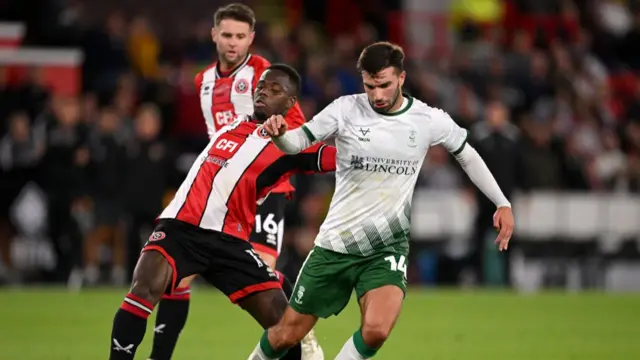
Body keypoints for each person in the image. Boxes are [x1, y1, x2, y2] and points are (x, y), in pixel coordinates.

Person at [247, 42, 515, 360]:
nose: (377, 95)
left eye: (384, 85)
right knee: (285, 335)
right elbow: (296, 143)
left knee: (376, 330)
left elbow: (467, 155)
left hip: (386, 246)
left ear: (401, 78)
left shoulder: (427, 119)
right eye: (370, 86)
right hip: (335, 245)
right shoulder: (344, 109)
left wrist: (502, 202)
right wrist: (279, 133)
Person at [109, 64, 336, 360]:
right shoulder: (231, 125)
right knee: (143, 287)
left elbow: (335, 157)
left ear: (291, 103)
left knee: (286, 328)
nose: (264, 91)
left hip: (230, 243)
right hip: (180, 227)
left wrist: (379, 146)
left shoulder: (291, 144)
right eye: (262, 86)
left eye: (275, 89)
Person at [150, 4, 323, 359]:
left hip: (266, 188)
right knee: (178, 276)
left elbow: (297, 130)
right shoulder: (202, 82)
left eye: (240, 37)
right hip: (220, 194)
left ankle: (303, 337)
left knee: (263, 269)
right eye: (227, 35)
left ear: (252, 39)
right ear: (214, 35)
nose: (233, 44)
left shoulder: (264, 75)